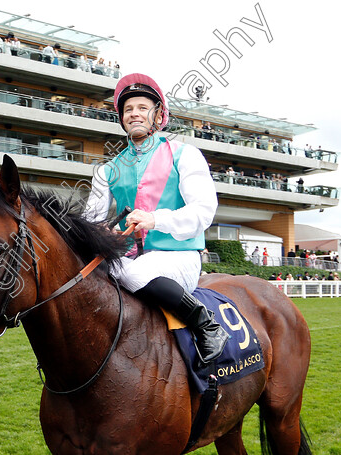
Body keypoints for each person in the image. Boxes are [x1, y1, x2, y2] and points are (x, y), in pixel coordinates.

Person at [84, 73, 227, 364]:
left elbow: (203, 210)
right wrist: (101, 233)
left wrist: (155, 220)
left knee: (133, 272)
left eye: (142, 107)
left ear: (158, 114)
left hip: (179, 257)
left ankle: (206, 325)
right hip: (131, 260)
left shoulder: (185, 155)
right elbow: (90, 221)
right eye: (128, 110)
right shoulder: (106, 170)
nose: (134, 114)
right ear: (122, 119)